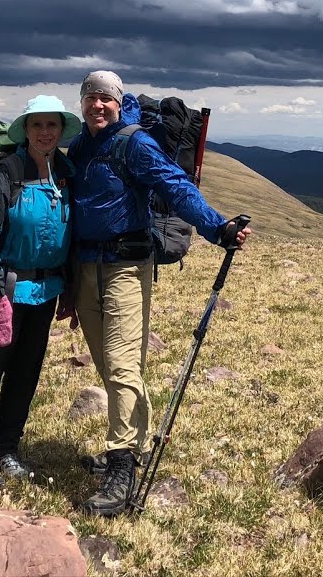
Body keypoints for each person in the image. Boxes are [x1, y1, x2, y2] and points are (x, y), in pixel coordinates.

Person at [59, 70, 251, 517]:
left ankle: (121, 466)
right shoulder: (80, 147)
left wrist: (216, 226)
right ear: (82, 104)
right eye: (91, 98)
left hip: (127, 265)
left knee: (124, 365)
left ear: (118, 101)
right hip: (86, 267)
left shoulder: (136, 143)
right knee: (110, 367)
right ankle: (135, 444)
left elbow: (176, 187)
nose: (98, 106)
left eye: (106, 98)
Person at [0, 95, 80, 490]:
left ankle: (7, 448)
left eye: (52, 126)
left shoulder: (65, 173)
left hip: (44, 291)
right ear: (25, 130)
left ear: (61, 130)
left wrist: (69, 289)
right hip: (4, 292)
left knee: (26, 373)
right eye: (37, 125)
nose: (45, 133)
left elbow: (69, 235)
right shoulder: (5, 175)